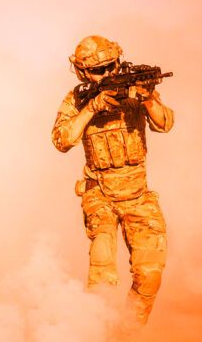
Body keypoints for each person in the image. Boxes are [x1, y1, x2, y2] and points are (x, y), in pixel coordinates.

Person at [51, 35, 174, 324]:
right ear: (83, 72)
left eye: (111, 67)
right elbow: (61, 140)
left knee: (150, 275)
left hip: (138, 194)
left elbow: (165, 123)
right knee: (102, 273)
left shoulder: (136, 88)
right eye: (98, 71)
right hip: (100, 193)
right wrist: (91, 108)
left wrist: (147, 98)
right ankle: (97, 331)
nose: (107, 74)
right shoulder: (78, 98)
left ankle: (128, 333)